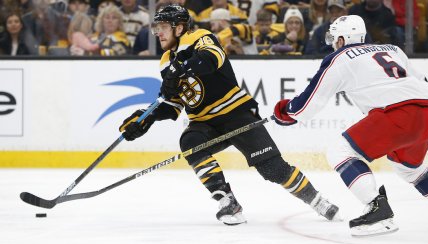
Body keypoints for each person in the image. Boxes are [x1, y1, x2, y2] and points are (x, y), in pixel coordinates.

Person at [119, 4, 341, 225]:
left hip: (236, 114)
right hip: (204, 123)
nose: (158, 32)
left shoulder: (200, 37)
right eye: (156, 27)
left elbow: (211, 58)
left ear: (179, 28)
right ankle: (227, 200)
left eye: (164, 26)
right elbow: (173, 102)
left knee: (274, 169)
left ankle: (317, 200)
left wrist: (183, 67)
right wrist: (144, 118)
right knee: (190, 140)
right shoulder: (166, 61)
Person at [272, 15, 428, 236]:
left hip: (396, 115)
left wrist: (286, 111)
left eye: (334, 38)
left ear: (342, 39)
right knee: (409, 167)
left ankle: (377, 209)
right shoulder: (393, 49)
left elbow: (307, 105)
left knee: (339, 151)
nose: (332, 43)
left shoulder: (340, 57)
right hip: (426, 113)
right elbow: (425, 83)